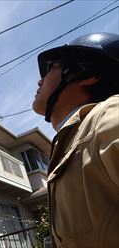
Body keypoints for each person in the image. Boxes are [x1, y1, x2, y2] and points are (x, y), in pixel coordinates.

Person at [32, 32, 119, 248]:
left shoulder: (109, 115)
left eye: (52, 66)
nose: (39, 80)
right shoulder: (72, 140)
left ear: (86, 72)